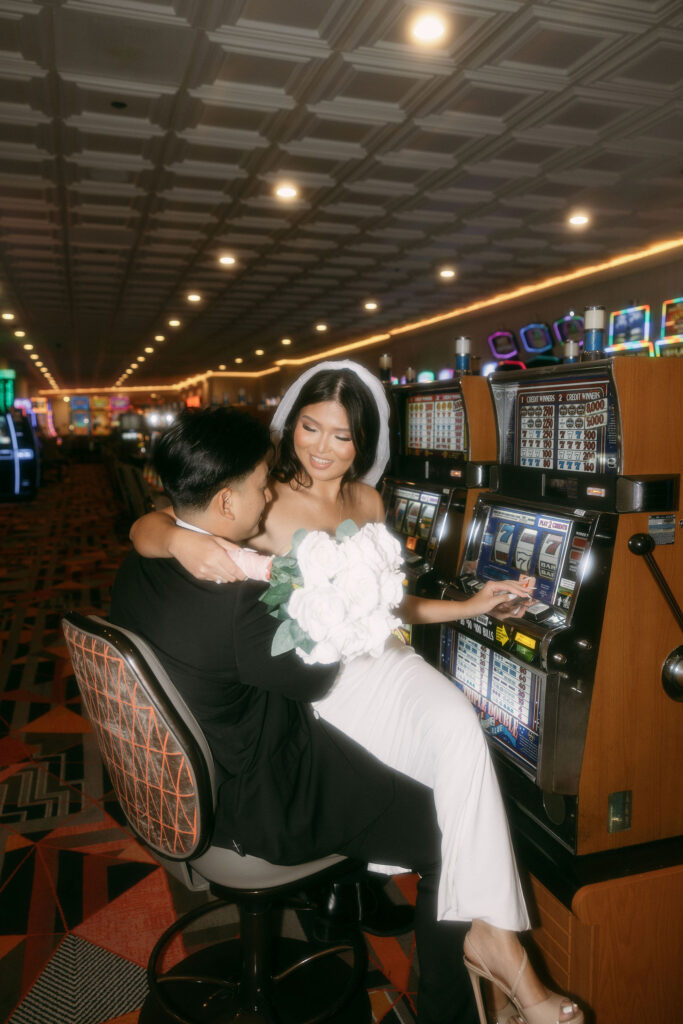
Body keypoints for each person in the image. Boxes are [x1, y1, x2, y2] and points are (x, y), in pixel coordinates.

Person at [129, 370, 585, 1024]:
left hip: (380, 656)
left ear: (362, 442)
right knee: (440, 808)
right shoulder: (260, 495)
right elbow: (152, 525)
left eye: (341, 435)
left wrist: (466, 606)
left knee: (458, 732)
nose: (321, 447)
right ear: (290, 427)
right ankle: (495, 960)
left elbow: (386, 601)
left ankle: (480, 943)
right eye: (310, 427)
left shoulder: (370, 503)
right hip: (311, 683)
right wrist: (177, 538)